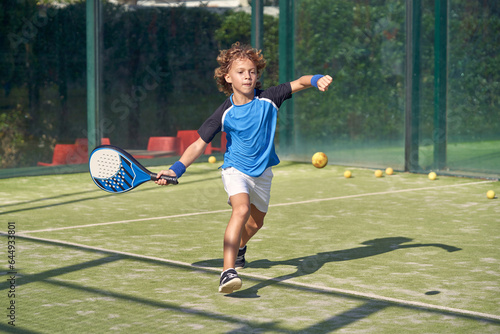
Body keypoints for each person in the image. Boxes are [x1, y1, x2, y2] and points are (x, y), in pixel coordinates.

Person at [155, 42, 332, 294]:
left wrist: (316, 79)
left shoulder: (270, 98)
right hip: (235, 170)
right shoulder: (223, 113)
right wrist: (176, 169)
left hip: (263, 173)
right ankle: (228, 272)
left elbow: (301, 82)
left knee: (255, 224)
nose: (247, 76)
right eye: (240, 72)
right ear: (228, 77)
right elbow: (198, 144)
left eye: (251, 71)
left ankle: (238, 248)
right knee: (240, 210)